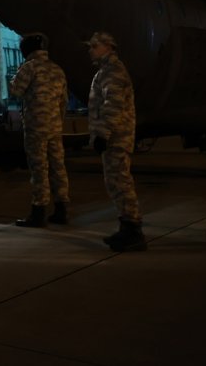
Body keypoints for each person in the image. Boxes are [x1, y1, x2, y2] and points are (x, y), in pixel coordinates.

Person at [86, 31, 147, 251]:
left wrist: (103, 134)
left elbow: (113, 105)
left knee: (120, 182)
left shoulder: (113, 71)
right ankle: (128, 226)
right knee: (115, 182)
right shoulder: (106, 71)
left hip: (116, 137)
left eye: (94, 46)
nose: (90, 50)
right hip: (115, 136)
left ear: (108, 47)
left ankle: (133, 230)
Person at [9, 32, 70, 227]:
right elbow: (64, 102)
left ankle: (38, 212)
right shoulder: (57, 69)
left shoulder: (29, 68)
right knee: (58, 167)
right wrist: (58, 121)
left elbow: (16, 91)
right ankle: (61, 209)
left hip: (36, 127)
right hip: (55, 126)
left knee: (39, 169)